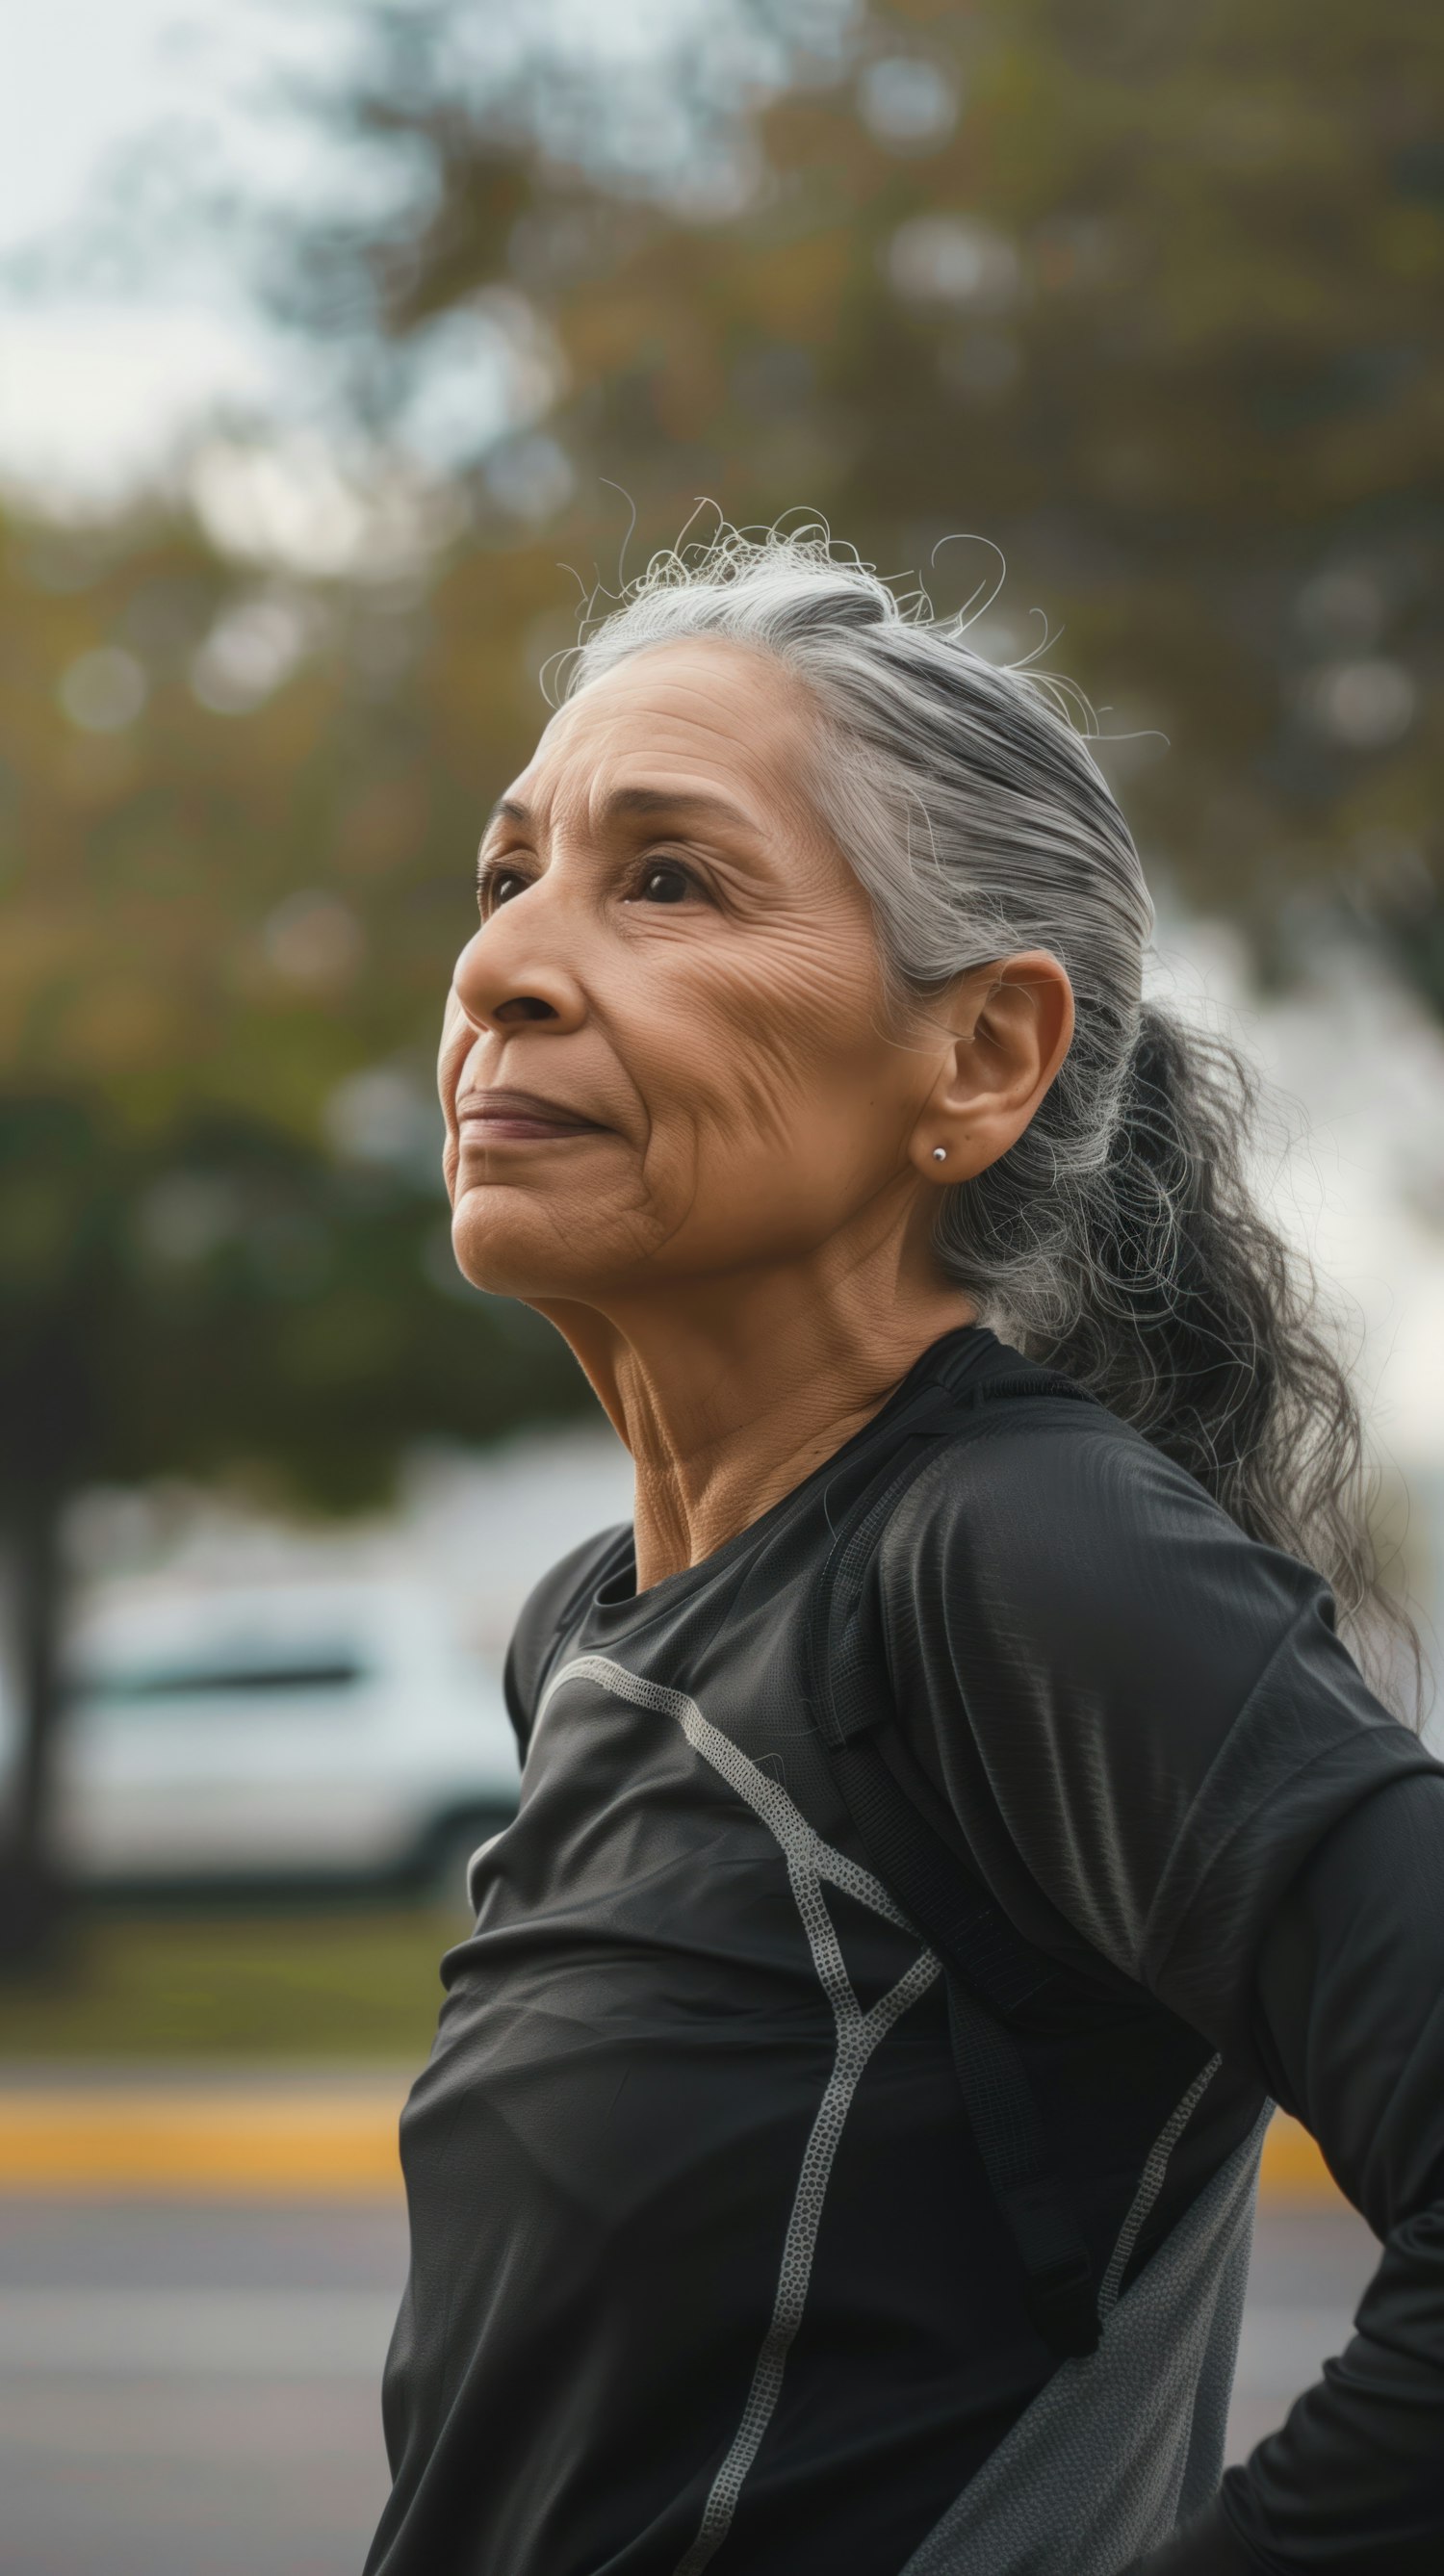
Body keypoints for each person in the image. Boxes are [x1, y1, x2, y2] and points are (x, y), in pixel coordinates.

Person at [364, 526, 1443, 2576]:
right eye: (510, 877)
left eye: (667, 879)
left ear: (980, 1057)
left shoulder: (1022, 1556)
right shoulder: (591, 1631)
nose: (502, 964)